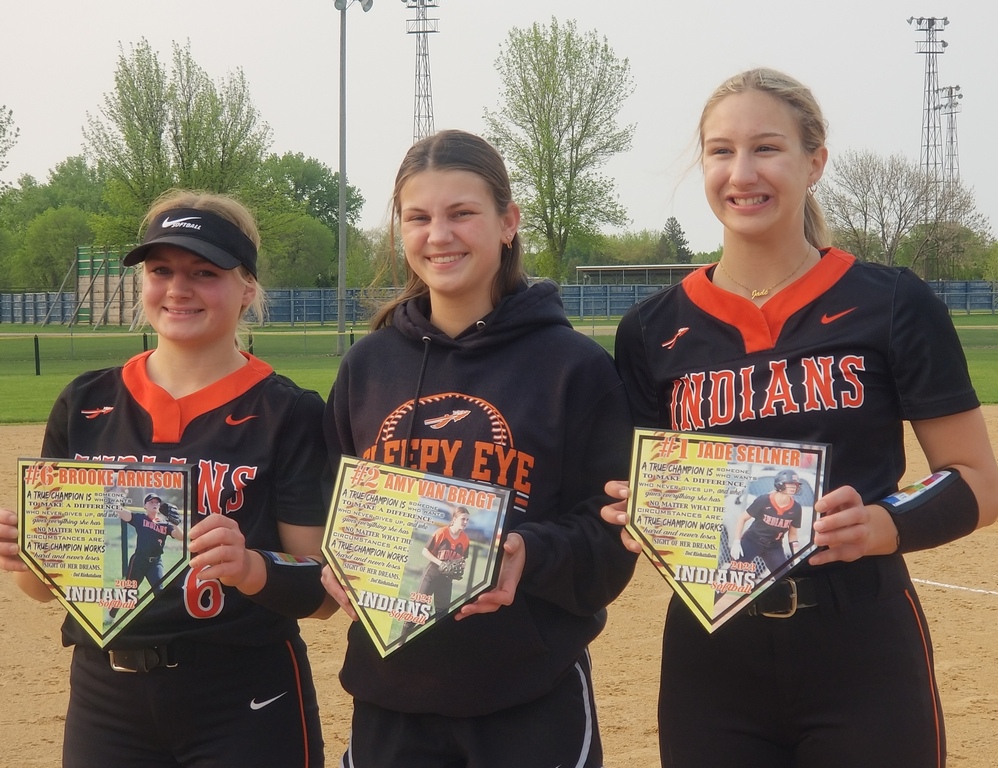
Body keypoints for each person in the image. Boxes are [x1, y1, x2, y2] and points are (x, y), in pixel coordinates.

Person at [602, 68, 998, 767]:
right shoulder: (649, 330)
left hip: (861, 640)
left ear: (815, 162)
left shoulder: (892, 302)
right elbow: (628, 489)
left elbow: (976, 479)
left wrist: (885, 523)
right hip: (710, 651)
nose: (741, 172)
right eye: (721, 151)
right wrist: (639, 508)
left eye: (767, 148)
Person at [320, 129, 636, 768]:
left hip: (528, 695)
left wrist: (530, 553)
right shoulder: (368, 365)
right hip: (391, 697)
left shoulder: (573, 366)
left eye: (462, 213)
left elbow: (612, 542)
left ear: (508, 222)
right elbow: (335, 517)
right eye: (419, 217)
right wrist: (337, 562)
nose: (440, 235)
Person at [0, 189, 335, 767]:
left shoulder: (289, 412)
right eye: (161, 270)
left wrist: (253, 568)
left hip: (243, 695)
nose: (179, 288)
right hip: (107, 698)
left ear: (247, 287)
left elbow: (322, 590)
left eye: (205, 272)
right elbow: (41, 589)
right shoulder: (85, 402)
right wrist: (31, 556)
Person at [728, 470, 802, 574]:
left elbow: (793, 535)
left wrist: (796, 556)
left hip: (774, 546)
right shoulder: (764, 500)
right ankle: (717, 591)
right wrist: (736, 542)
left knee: (784, 576)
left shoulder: (796, 508)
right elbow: (742, 518)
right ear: (780, 484)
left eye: (795, 484)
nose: (794, 487)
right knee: (733, 573)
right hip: (752, 541)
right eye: (790, 484)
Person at [117, 492, 185, 595]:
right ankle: (112, 611)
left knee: (160, 592)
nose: (155, 504)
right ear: (145, 506)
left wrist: (175, 524)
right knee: (128, 592)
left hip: (155, 563)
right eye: (151, 502)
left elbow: (181, 537)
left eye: (157, 502)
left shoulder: (165, 524)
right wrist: (114, 499)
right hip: (139, 561)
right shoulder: (140, 519)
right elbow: (123, 513)